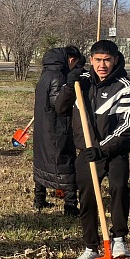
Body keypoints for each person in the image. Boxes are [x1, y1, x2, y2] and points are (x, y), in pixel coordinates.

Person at [54, 39, 130, 259]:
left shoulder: (126, 87)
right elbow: (60, 108)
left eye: (107, 60)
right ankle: (91, 246)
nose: (102, 65)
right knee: (87, 197)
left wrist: (102, 149)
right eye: (98, 60)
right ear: (91, 60)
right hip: (86, 151)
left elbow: (129, 126)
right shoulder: (80, 82)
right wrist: (67, 85)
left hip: (114, 152)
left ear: (115, 60)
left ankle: (119, 238)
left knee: (119, 187)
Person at [32, 46, 83, 217]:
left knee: (42, 160)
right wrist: (70, 86)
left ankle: (39, 199)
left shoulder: (45, 73)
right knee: (65, 161)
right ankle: (70, 205)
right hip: (56, 127)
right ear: (70, 60)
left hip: (42, 126)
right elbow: (60, 106)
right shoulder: (59, 76)